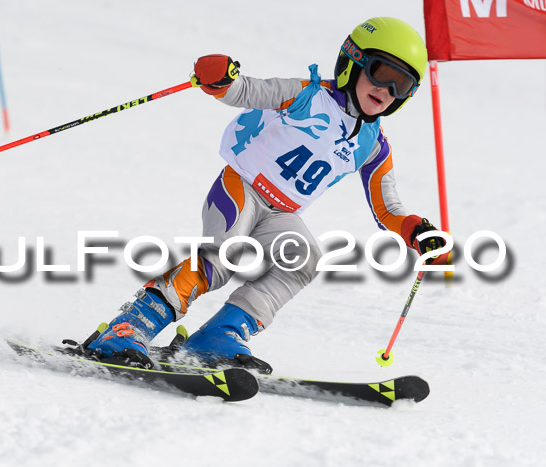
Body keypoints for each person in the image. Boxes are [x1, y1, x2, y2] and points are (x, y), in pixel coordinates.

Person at [82, 17, 449, 372]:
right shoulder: (306, 95)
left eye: (402, 85)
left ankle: (218, 336)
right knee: (223, 259)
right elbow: (246, 91)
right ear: (352, 62)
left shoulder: (374, 145)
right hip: (241, 186)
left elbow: (388, 209)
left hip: (280, 213)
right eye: (382, 73)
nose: (387, 91)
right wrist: (221, 79)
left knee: (304, 260)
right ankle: (126, 329)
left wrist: (415, 231)